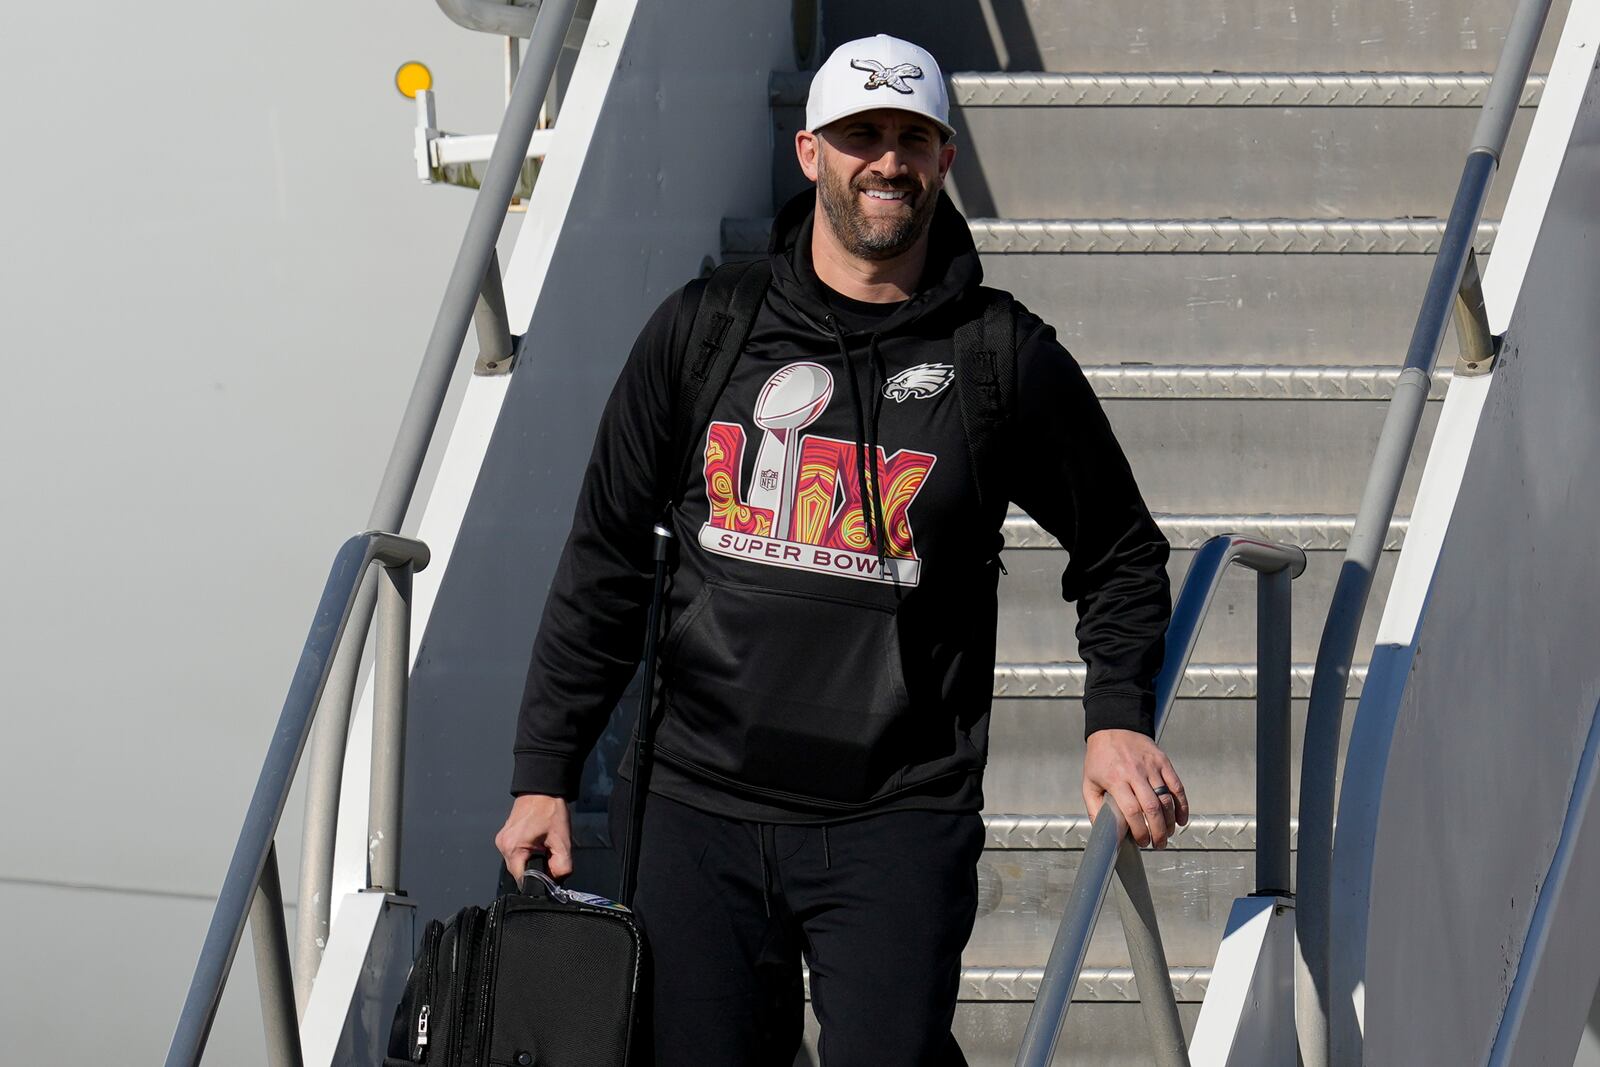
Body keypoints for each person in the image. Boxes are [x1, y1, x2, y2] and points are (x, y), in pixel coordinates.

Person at [495, 33, 1186, 1066]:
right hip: (698, 804)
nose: (888, 160)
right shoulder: (702, 333)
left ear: (945, 159)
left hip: (896, 815)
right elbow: (603, 559)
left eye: (913, 136)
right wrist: (544, 768)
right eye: (862, 135)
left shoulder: (999, 357)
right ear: (810, 150)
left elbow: (1121, 551)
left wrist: (1114, 717)